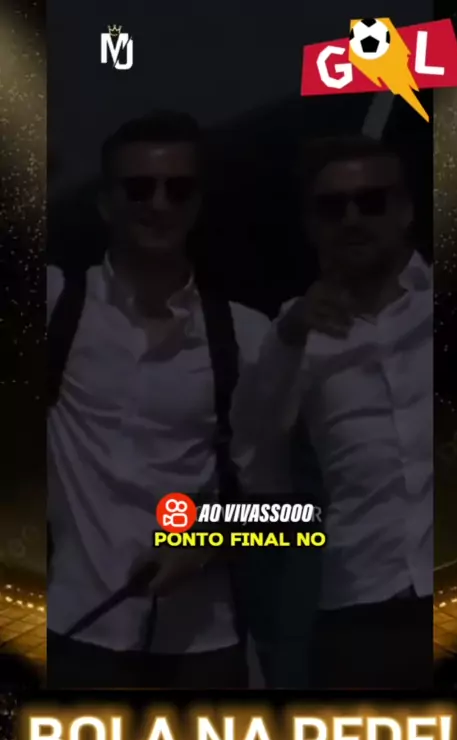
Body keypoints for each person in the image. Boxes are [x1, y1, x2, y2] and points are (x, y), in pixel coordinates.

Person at [46, 110, 274, 689]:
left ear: (198, 204)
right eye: (139, 187)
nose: (159, 203)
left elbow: (284, 507)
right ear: (105, 203)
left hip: (202, 649)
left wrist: (205, 541)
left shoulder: (247, 336)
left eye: (179, 189)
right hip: (74, 635)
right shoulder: (54, 309)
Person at [231, 134, 433, 689]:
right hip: (361, 607)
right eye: (332, 206)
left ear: (405, 210)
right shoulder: (291, 336)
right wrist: (290, 337)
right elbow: (254, 463)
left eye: (371, 201)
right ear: (311, 225)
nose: (352, 218)